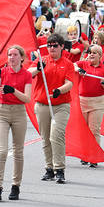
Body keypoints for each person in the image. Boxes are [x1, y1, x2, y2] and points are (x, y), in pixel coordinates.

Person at [28, 34, 74, 184]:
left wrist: (59, 90)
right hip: (42, 104)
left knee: (57, 135)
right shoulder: (42, 61)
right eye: (49, 45)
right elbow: (28, 74)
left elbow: (69, 83)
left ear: (61, 46)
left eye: (55, 45)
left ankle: (59, 169)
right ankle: (49, 168)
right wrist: (38, 68)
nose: (52, 48)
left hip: (61, 105)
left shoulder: (67, 63)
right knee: (46, 138)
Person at [0, 45, 32, 201]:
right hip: (2, 111)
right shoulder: (3, 72)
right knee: (2, 151)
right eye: (9, 55)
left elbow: (27, 98)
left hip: (19, 112)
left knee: (18, 152)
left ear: (21, 57)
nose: (12, 58)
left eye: (15, 55)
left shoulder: (26, 75)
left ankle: (16, 185)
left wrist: (13, 90)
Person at [75, 44, 104, 166]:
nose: (91, 54)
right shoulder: (83, 64)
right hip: (82, 100)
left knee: (94, 130)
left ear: (100, 56)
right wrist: (78, 70)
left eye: (94, 52)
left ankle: (94, 156)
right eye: (90, 52)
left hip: (98, 101)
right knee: (83, 130)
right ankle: (85, 154)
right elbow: (73, 65)